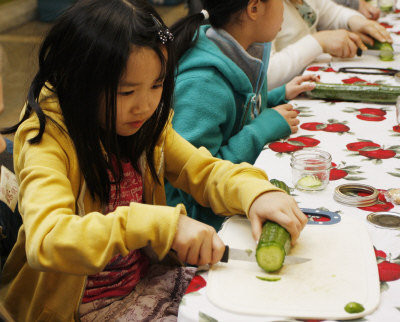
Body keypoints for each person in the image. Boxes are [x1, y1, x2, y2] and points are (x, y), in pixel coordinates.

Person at [0, 0, 307, 321]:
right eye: (126, 92)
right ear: (80, 82)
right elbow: (47, 240)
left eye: (157, 85)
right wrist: (162, 225)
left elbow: (200, 169)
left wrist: (256, 192)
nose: (145, 105)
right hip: (73, 309)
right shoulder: (47, 136)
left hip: (142, 283)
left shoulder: (146, 123)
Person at [166, 0, 317, 230]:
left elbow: (239, 112)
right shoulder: (202, 84)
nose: (284, 9)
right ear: (254, 8)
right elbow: (196, 183)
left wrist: (279, 95)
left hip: (233, 197)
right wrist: (261, 131)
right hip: (198, 228)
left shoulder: (245, 51)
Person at [268, 0, 392, 89]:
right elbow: (267, 76)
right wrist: (319, 41)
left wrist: (354, 20)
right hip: (284, 95)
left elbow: (332, 12)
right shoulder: (266, 10)